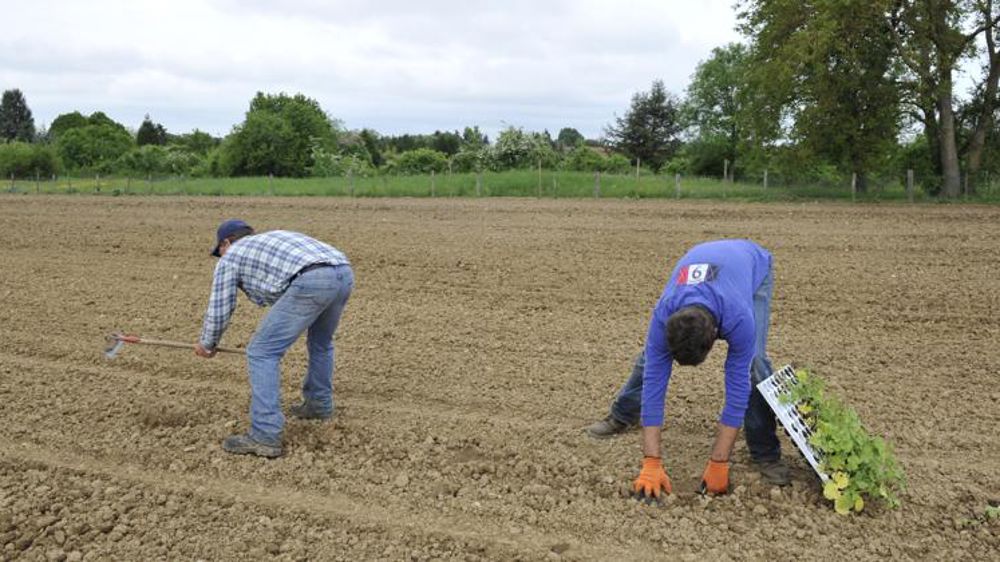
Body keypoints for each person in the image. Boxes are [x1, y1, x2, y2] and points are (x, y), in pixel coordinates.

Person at [584, 239, 789, 497]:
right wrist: (651, 462)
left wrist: (719, 461)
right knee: (650, 360)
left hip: (751, 265)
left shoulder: (738, 318)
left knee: (755, 364)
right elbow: (655, 381)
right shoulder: (664, 313)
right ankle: (622, 415)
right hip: (705, 258)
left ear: (716, 334)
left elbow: (737, 391)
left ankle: (765, 452)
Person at [194, 219, 354, 458]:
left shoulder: (231, 256)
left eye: (220, 251)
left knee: (261, 352)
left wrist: (207, 343)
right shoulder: (268, 240)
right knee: (321, 344)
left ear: (226, 243)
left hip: (312, 279)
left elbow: (220, 307)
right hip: (343, 271)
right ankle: (319, 405)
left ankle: (265, 434)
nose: (221, 256)